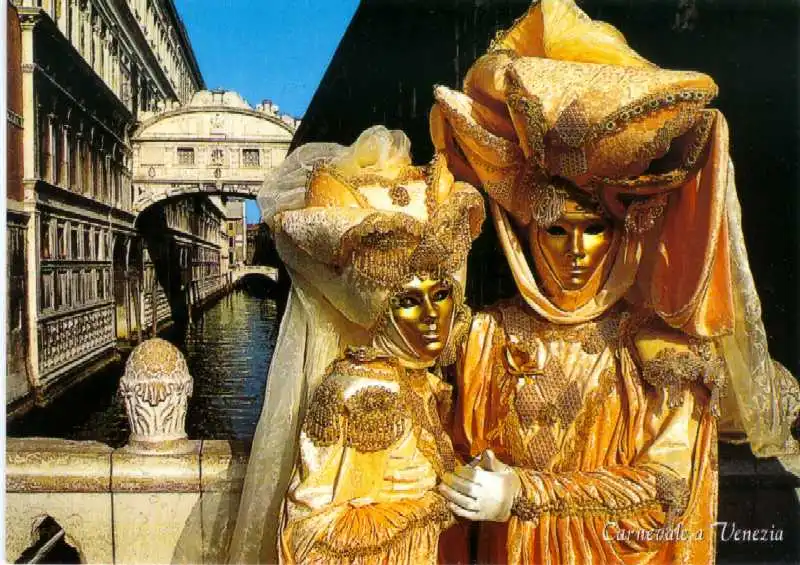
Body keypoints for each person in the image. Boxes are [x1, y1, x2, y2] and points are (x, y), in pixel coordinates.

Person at [429, 0, 800, 562]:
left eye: (595, 229)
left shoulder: (656, 352)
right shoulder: (486, 337)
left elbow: (667, 488)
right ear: (527, 234)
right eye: (557, 230)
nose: (576, 251)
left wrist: (525, 494)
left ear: (623, 232)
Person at [227, 126, 484, 564]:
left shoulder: (415, 380)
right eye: (408, 301)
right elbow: (312, 533)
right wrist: (437, 507)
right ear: (380, 308)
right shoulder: (363, 392)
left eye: (441, 295)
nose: (432, 316)